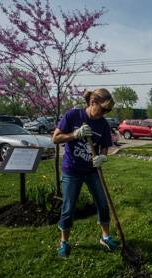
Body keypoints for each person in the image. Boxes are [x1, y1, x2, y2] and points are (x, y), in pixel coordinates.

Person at [52, 88, 118, 258]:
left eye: (108, 110)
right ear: (92, 102)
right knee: (68, 207)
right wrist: (75, 134)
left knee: (102, 203)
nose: (104, 113)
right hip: (72, 170)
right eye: (103, 109)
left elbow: (104, 145)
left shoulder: (103, 124)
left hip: (92, 170)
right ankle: (64, 242)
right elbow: (55, 138)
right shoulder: (73, 115)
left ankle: (105, 237)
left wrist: (103, 157)